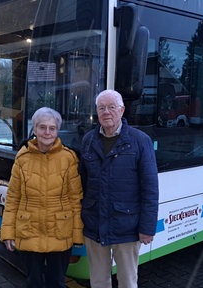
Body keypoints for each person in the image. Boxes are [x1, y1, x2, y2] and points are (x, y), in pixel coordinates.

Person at [80, 89, 159, 288]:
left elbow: (150, 188)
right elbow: (82, 183)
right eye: (101, 108)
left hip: (127, 226)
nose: (106, 112)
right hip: (94, 223)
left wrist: (147, 228)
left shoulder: (140, 141)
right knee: (98, 281)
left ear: (122, 110)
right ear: (97, 112)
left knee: (127, 282)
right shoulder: (88, 140)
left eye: (112, 107)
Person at [0, 107, 84, 288]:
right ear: (35, 129)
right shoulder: (22, 158)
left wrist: (77, 235)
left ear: (57, 130)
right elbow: (13, 197)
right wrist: (7, 232)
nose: (47, 132)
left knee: (57, 283)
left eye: (52, 128)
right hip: (28, 230)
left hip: (60, 231)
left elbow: (75, 199)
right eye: (42, 127)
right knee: (33, 282)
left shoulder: (69, 158)